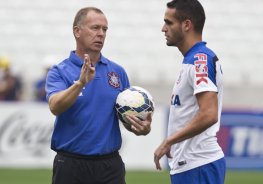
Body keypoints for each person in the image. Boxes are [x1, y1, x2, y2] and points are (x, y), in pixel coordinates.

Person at [45, 7, 152, 184]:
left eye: (104, 29)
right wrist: (80, 84)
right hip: (71, 165)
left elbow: (127, 117)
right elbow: (55, 106)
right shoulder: (59, 71)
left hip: (110, 166)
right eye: (95, 28)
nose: (101, 34)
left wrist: (142, 128)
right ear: (77, 31)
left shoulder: (117, 73)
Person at [154, 0, 225, 184]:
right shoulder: (192, 59)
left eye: (169, 22)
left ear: (186, 25)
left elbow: (209, 114)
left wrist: (169, 140)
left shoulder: (200, 60)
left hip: (199, 165)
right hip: (191, 166)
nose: (163, 28)